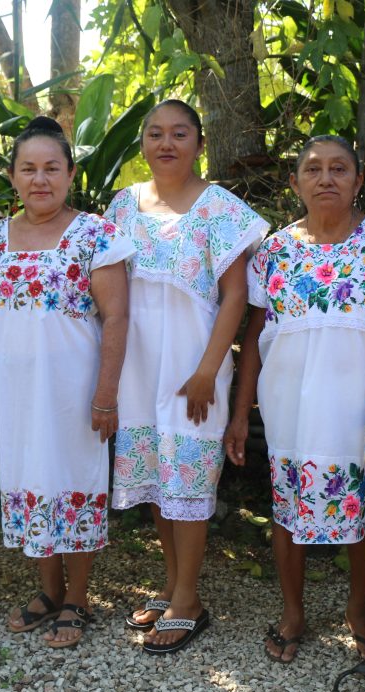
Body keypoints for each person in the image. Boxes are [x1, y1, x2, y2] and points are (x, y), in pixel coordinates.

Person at [225, 135, 365, 664]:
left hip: (363, 409)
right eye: (313, 169)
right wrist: (241, 413)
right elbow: (255, 337)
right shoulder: (274, 251)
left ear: (358, 180)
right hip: (290, 409)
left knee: (362, 515)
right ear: (295, 183)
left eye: (339, 169)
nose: (326, 178)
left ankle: (360, 611)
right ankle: (293, 613)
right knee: (288, 512)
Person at [104, 99, 270, 654]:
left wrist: (206, 372)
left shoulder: (221, 208)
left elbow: (235, 297)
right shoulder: (123, 205)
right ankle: (175, 587)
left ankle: (189, 600)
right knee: (157, 478)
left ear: (199, 143)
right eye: (155, 134)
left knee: (190, 480)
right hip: (137, 364)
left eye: (180, 133)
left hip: (194, 364)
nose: (166, 143)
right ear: (143, 144)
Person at [0, 116, 134, 649]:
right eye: (28, 169)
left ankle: (78, 598)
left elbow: (117, 318)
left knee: (74, 481)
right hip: (12, 392)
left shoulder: (96, 235)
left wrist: (106, 395)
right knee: (28, 480)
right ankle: (47, 589)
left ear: (70, 173)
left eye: (52, 168)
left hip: (72, 393)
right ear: (12, 176)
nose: (40, 179)